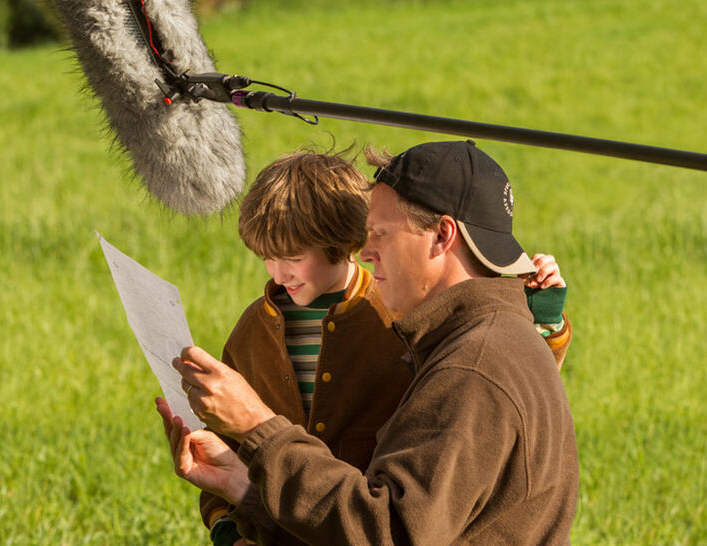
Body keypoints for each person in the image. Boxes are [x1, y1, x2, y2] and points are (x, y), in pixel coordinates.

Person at [187, 146, 574, 545]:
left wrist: (258, 429)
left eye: (382, 234)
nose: (366, 252)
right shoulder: (488, 338)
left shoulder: (471, 367)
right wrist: (235, 497)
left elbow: (385, 531)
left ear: (442, 236)